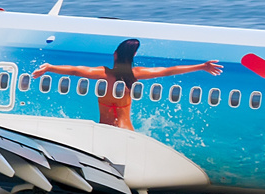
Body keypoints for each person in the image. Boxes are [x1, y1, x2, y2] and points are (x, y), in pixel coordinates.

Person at [32, 38, 222, 130]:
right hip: (128, 132)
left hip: (105, 132)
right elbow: (167, 71)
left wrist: (49, 67)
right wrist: (202, 66)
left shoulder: (104, 74)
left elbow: (75, 70)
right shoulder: (135, 75)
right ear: (133, 56)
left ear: (115, 54)